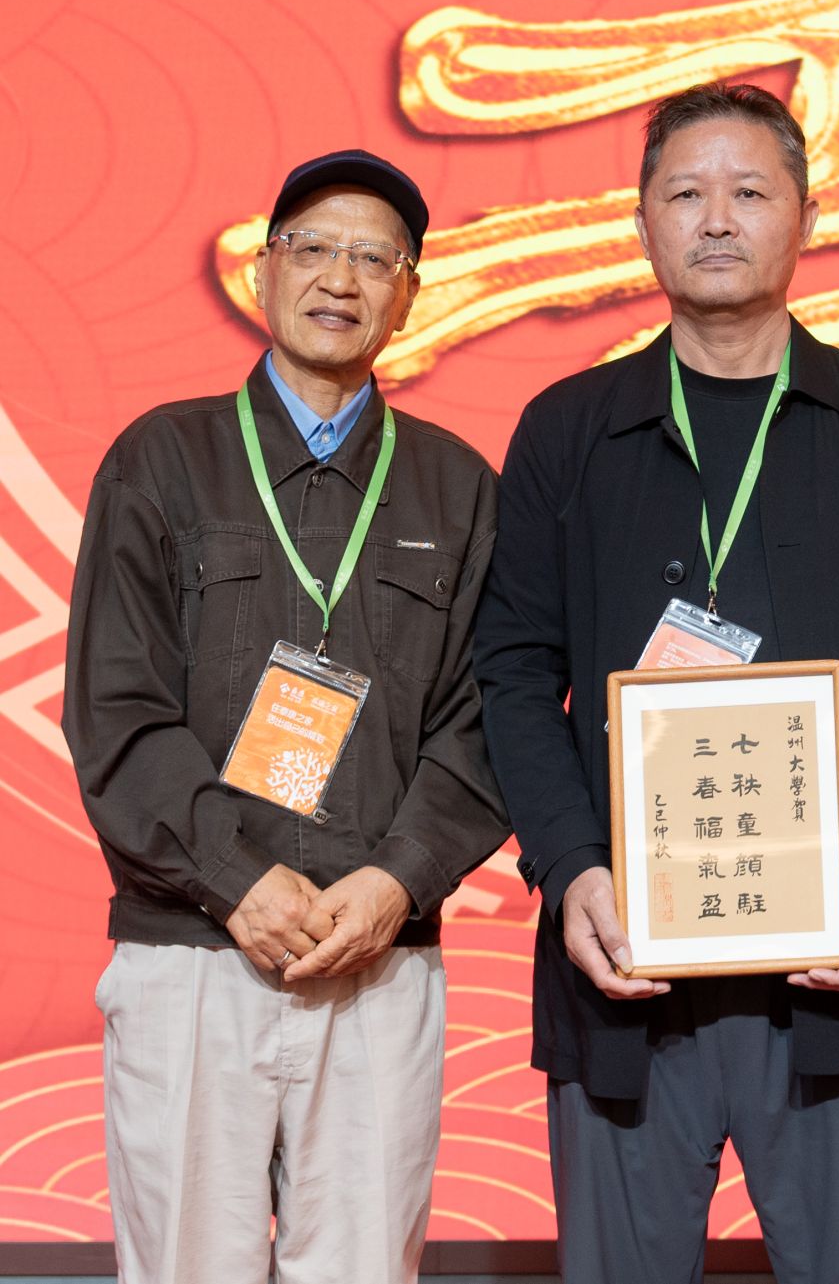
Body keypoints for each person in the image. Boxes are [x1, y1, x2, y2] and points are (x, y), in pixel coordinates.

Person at [474, 81, 839, 1284]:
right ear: (641, 223)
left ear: (806, 217)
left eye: (750, 192)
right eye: (685, 194)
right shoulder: (567, 430)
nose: (717, 219)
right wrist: (573, 868)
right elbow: (512, 671)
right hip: (626, 962)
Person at [64, 150, 509, 1283]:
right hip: (192, 952)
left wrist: (397, 881)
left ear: (410, 294)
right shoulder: (162, 458)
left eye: (373, 258)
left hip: (377, 958)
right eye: (311, 247)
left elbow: (483, 718)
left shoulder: (459, 486)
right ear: (262, 272)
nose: (339, 279)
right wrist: (238, 880)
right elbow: (116, 707)